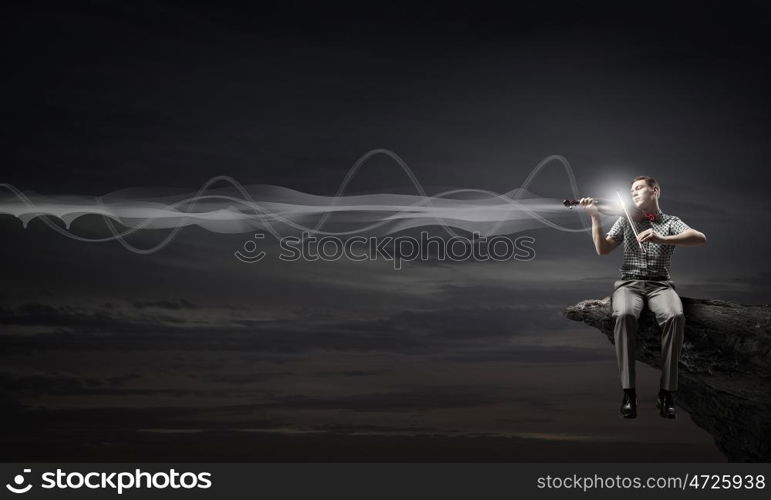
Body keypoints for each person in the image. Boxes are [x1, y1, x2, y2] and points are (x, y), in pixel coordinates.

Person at [579, 176, 707, 419]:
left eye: (639, 188)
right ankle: (629, 393)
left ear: (655, 190)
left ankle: (667, 393)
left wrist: (661, 238)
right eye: (631, 191)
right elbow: (603, 249)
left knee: (675, 316)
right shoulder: (626, 219)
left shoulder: (670, 222)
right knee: (625, 315)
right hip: (629, 284)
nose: (634, 194)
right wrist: (595, 217)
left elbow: (700, 238)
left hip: (661, 285)